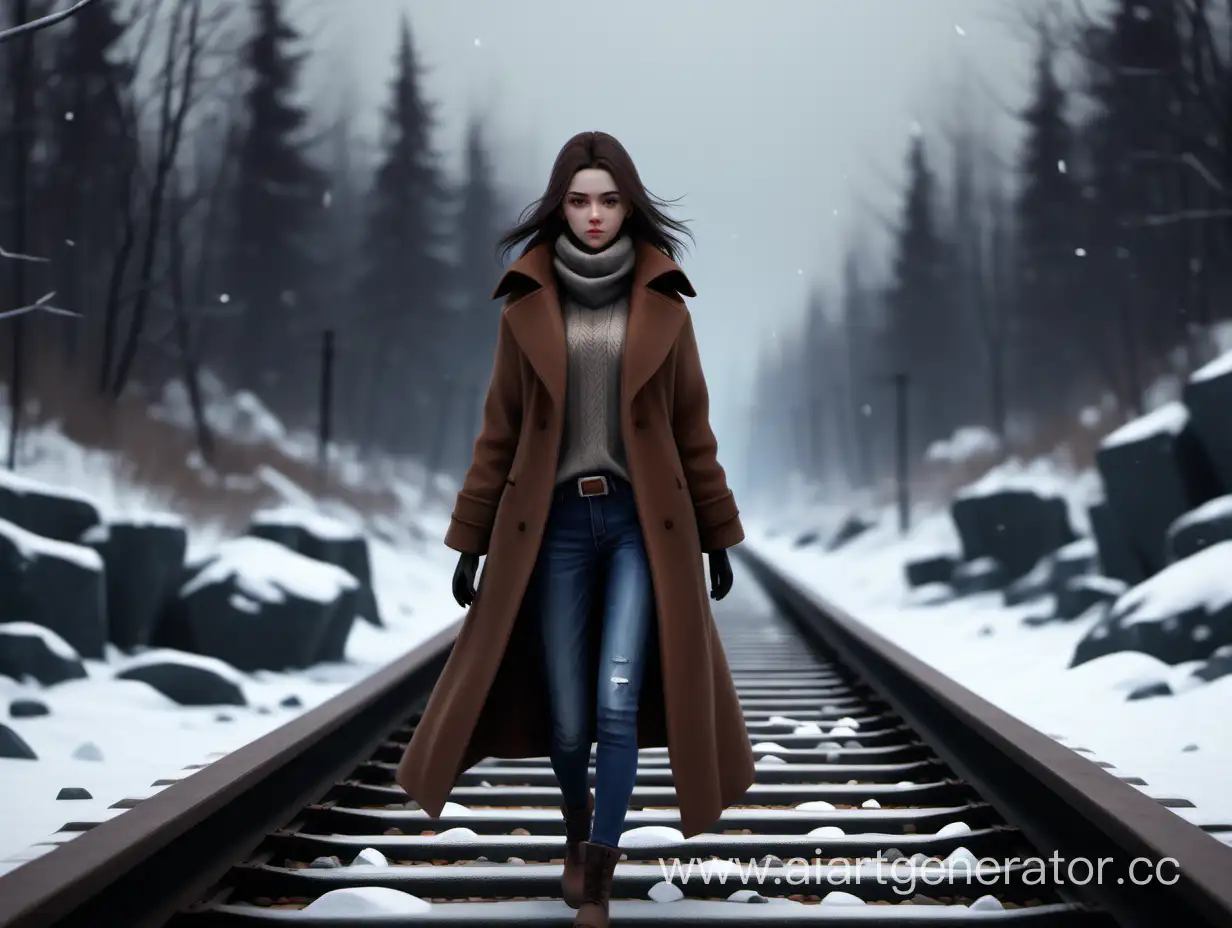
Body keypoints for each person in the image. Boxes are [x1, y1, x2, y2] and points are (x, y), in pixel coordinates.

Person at [395, 131, 754, 928]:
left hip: (639, 526)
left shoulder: (664, 304)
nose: (594, 216)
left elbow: (693, 430)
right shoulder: (526, 305)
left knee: (617, 701)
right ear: (561, 207)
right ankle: (574, 825)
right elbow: (501, 431)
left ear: (630, 205)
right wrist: (472, 540)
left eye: (609, 200)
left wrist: (717, 533)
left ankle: (598, 871)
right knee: (566, 716)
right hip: (551, 525)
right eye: (580, 200)